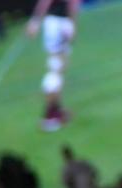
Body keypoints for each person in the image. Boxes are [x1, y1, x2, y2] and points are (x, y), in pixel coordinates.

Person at [26, 0, 81, 131]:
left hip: (61, 22)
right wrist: (35, 21)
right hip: (56, 22)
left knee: (59, 68)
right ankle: (49, 116)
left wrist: (71, 23)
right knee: (55, 68)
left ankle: (56, 110)